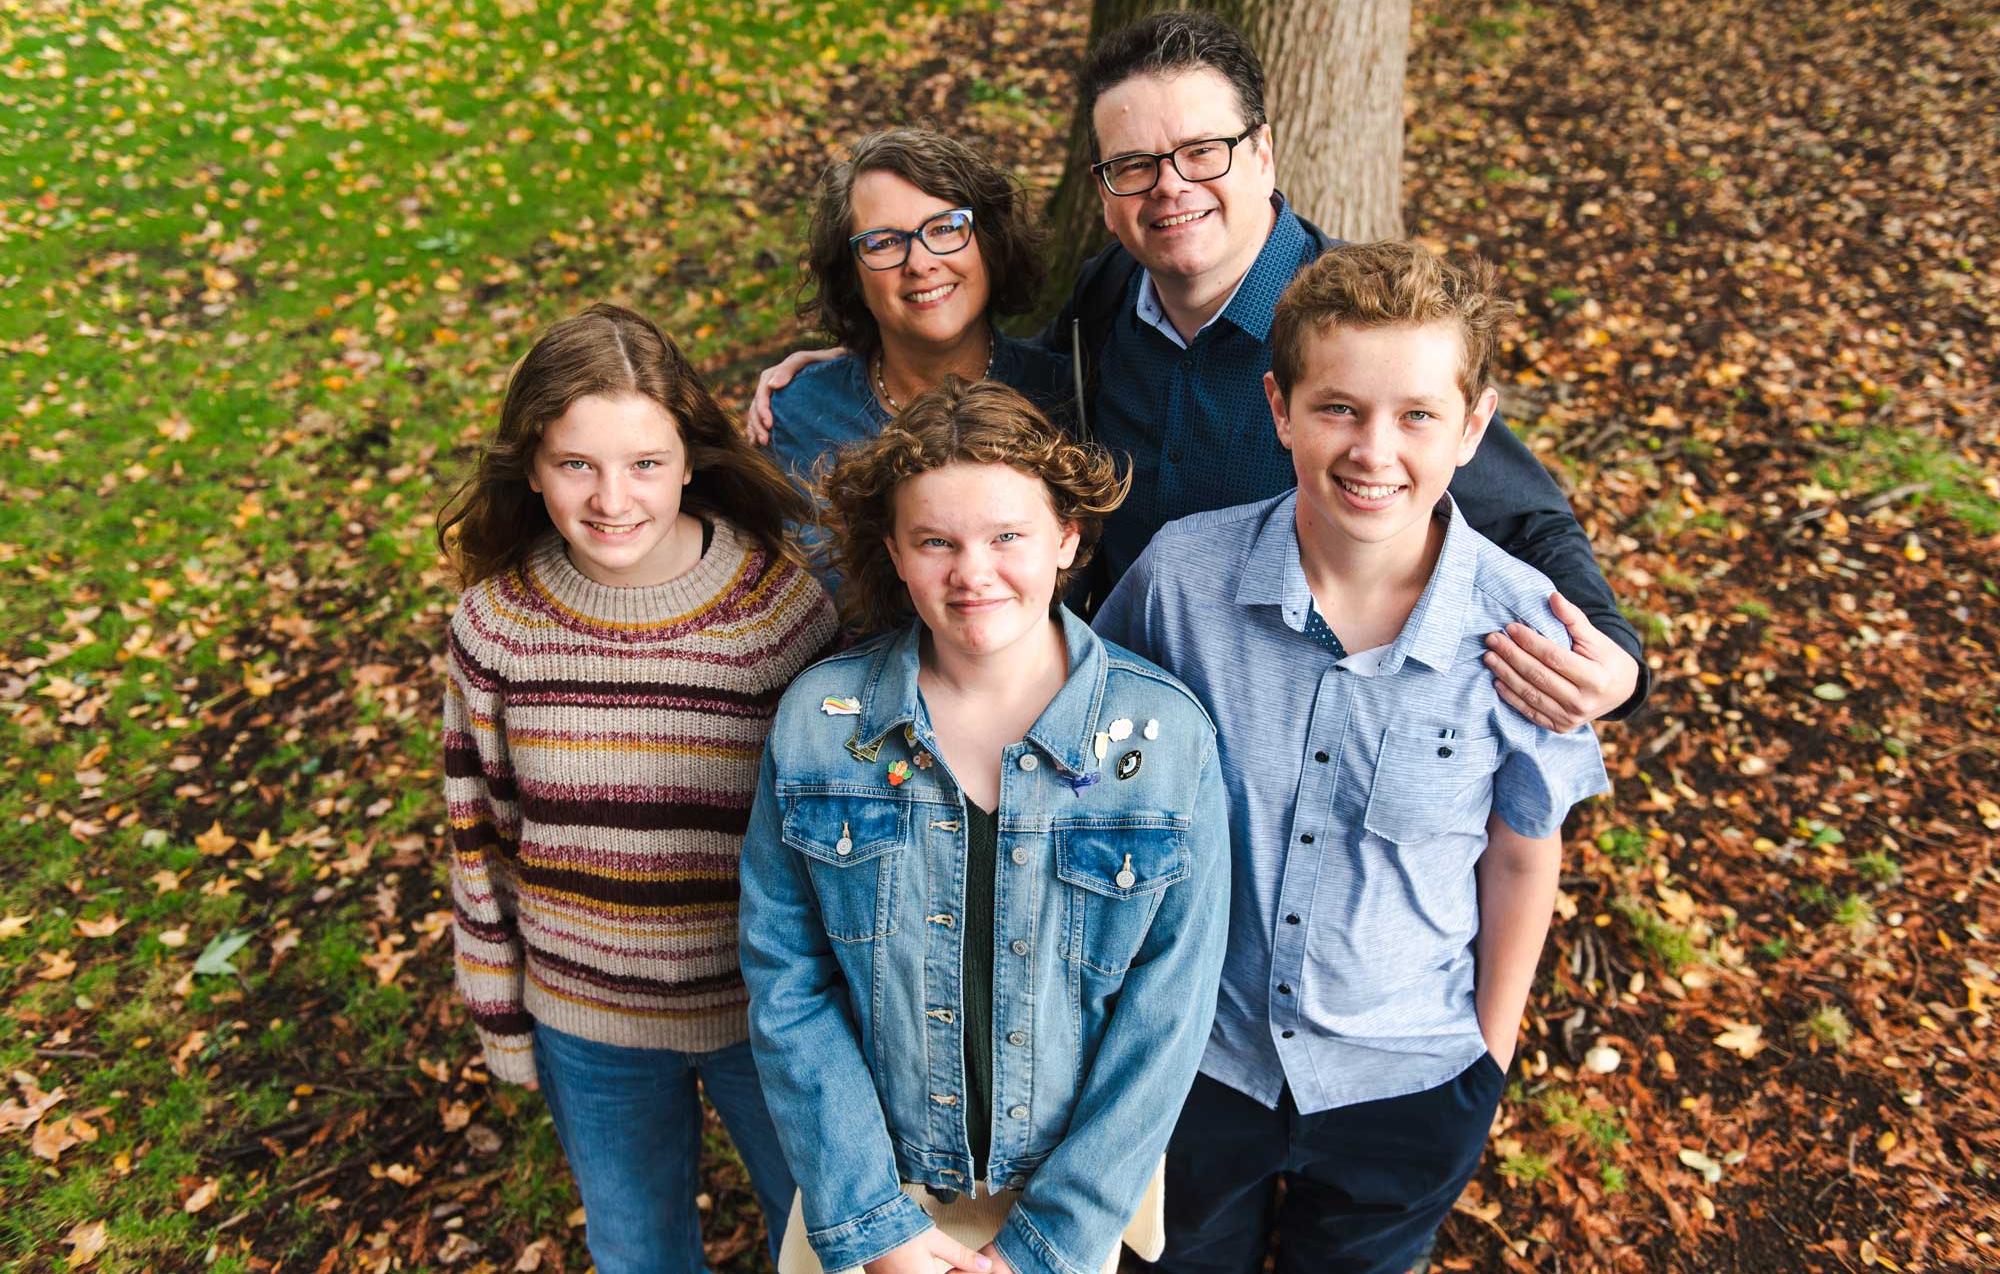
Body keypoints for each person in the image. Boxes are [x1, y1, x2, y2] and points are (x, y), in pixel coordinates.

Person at [745, 11, 1647, 731]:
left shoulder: (1353, 334)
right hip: (1114, 734)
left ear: (1261, 153)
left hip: (1300, 731)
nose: (1170, 187)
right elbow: (986, 384)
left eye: (1201, 152)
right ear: (1103, 192)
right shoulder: (1102, 309)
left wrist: (1613, 654)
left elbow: (1519, 511)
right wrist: (854, 351)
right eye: (1134, 165)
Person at [1093, 241, 1611, 1274]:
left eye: (1416, 414)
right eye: (1338, 407)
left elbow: (1520, 848)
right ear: (1277, 408)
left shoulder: (1521, 628)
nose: (1374, 449)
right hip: (1196, 1064)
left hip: (1410, 1081)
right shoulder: (1176, 585)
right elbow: (1095, 791)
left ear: (1471, 427)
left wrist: (1488, 1053)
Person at [737, 379, 1230, 1274]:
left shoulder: (1166, 742)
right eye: (936, 540)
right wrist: (876, 1226)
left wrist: (1045, 1245)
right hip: (872, 1193)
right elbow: (786, 979)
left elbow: (1171, 1013)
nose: (973, 571)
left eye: (1008, 536)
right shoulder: (822, 723)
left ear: (1067, 539)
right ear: (893, 550)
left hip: (1072, 1206)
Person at [437, 304, 837, 1274]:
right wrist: (500, 1013)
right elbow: (477, 832)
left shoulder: (778, 612)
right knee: (637, 1248)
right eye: (577, 463)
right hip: (588, 1019)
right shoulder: (495, 628)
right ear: (531, 467)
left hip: (767, 1012)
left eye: (644, 463)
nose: (612, 496)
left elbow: (836, 832)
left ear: (691, 459)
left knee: (824, 1239)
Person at [764, 128, 1070, 590]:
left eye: (945, 228)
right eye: (883, 242)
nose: (920, 262)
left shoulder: (1065, 395)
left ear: (989, 240)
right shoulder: (797, 417)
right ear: (852, 276)